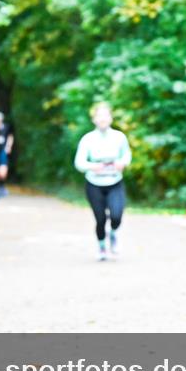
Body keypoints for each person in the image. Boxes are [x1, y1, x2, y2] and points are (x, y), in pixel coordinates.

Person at [74, 103, 131, 261]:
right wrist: (93, 166)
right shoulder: (88, 139)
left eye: (106, 115)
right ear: (94, 119)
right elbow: (79, 163)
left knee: (116, 215)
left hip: (115, 183)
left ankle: (113, 234)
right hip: (94, 184)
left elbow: (127, 155)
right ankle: (101, 246)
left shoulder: (119, 137)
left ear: (111, 118)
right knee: (100, 219)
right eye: (99, 116)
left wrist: (123, 163)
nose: (103, 119)